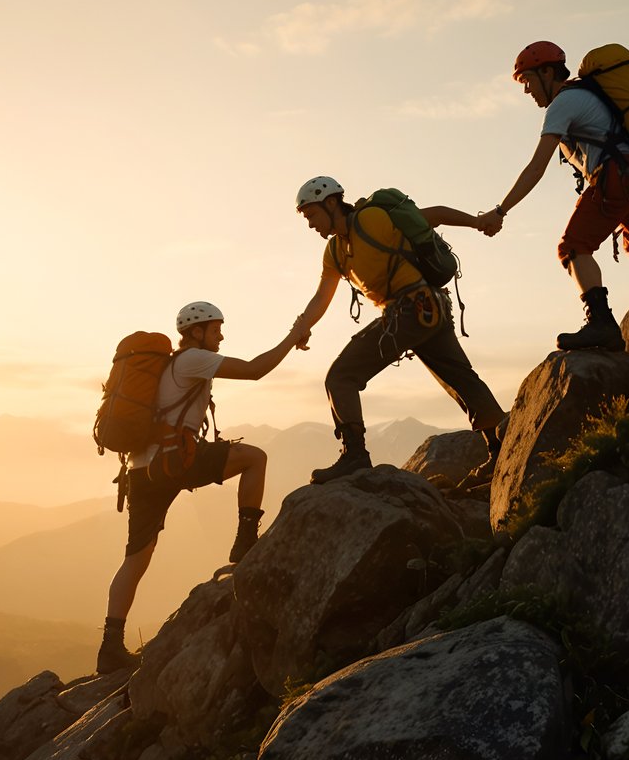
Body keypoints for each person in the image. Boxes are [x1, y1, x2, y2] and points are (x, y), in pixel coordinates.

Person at [97, 301, 302, 674]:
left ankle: (109, 646)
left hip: (142, 469)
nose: (220, 335)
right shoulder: (192, 359)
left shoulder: (167, 367)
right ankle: (245, 541)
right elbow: (255, 370)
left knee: (136, 558)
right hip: (175, 460)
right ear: (195, 333)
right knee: (254, 458)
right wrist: (293, 336)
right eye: (214, 329)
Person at [290, 177, 508, 485]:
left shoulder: (371, 219)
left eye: (311, 214)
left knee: (341, 376)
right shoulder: (335, 251)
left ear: (330, 203)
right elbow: (321, 298)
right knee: (460, 378)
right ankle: (501, 445)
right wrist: (302, 328)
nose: (310, 223)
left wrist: (477, 221)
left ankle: (355, 455)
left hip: (410, 311)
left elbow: (435, 215)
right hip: (429, 310)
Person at [481, 40, 629, 351]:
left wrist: (500, 211)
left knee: (573, 247)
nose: (527, 91)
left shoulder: (563, 103)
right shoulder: (587, 94)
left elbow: (535, 168)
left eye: (528, 80)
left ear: (547, 72)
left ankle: (601, 325)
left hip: (619, 176)